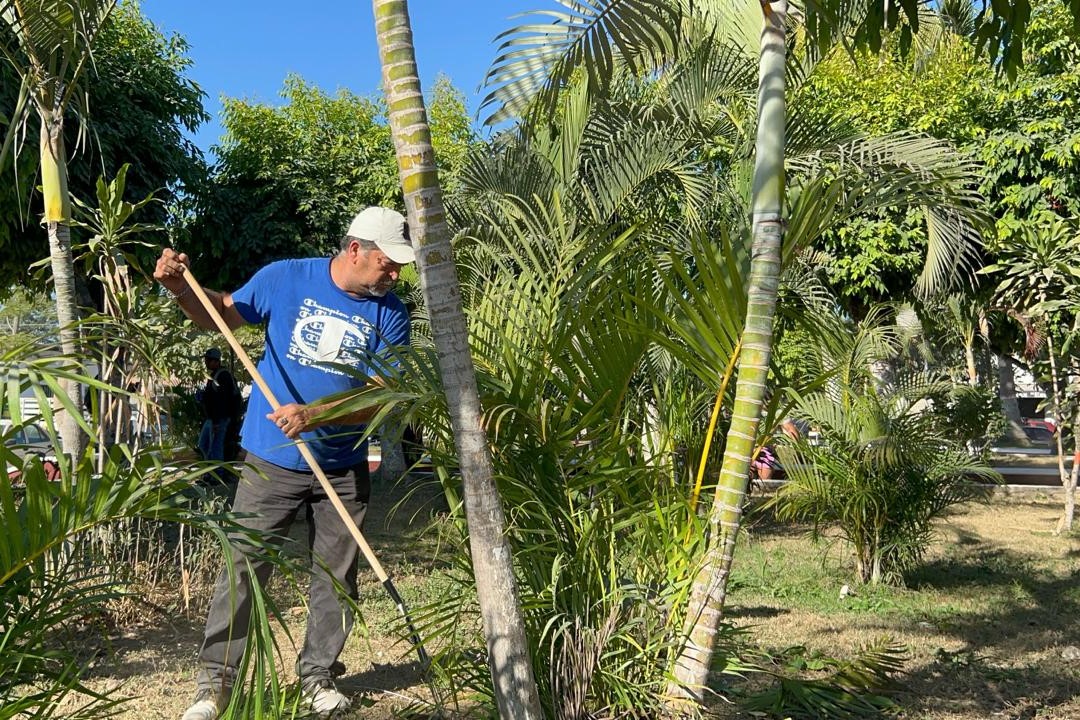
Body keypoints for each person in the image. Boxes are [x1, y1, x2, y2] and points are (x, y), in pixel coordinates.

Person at [155, 206, 414, 720]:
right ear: (355, 249)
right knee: (243, 568)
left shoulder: (392, 313)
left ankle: (318, 677)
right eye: (388, 262)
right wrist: (183, 289)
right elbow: (223, 315)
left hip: (342, 465)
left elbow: (387, 396)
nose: (395, 274)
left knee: (336, 577)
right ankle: (214, 686)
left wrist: (316, 415)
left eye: (399, 266)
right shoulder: (286, 277)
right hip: (270, 459)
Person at [197, 347, 237, 464]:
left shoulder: (223, 376)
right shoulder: (214, 375)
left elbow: (222, 400)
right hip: (212, 418)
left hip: (219, 419)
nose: (206, 363)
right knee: (204, 445)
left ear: (216, 361)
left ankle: (216, 475)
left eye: (208, 360)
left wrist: (216, 421)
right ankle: (209, 474)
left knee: (215, 447)